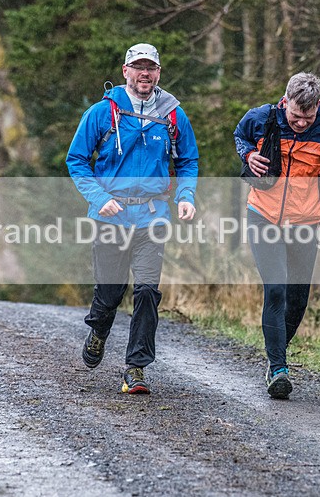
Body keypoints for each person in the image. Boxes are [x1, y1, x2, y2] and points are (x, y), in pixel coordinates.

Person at [66, 43, 198, 394]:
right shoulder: (102, 112)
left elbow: (188, 161)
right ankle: (98, 329)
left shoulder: (172, 114)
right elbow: (76, 160)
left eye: (150, 67)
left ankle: (136, 367)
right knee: (110, 292)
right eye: (138, 67)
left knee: (146, 292)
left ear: (158, 73)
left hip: (153, 216)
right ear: (125, 71)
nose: (144, 73)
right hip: (111, 216)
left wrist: (185, 197)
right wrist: (99, 198)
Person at [234, 72, 320, 399]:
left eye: (308, 117)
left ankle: (275, 351)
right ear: (285, 102)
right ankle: (278, 367)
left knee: (297, 299)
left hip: (305, 224)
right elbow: (240, 136)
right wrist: (249, 155)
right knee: (276, 287)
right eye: (295, 116)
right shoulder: (261, 117)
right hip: (262, 214)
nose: (301, 123)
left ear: (317, 107)